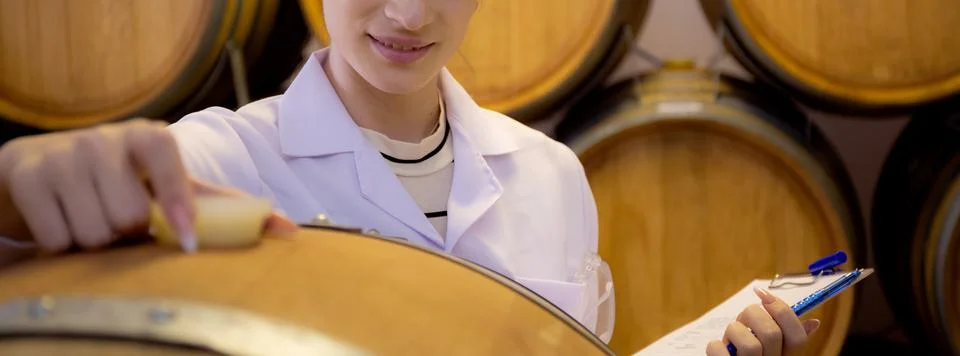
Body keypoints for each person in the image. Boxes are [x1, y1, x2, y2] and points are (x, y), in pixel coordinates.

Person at [0, 0, 820, 354]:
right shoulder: (221, 158)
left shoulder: (553, 175)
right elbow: (51, 240)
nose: (408, 16)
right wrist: (19, 184)